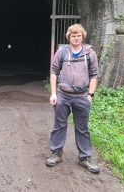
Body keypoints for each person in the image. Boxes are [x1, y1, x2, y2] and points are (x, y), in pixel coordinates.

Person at [46, 23, 100, 174]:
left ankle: (85, 157)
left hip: (82, 96)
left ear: (83, 37)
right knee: (59, 125)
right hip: (63, 94)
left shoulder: (90, 54)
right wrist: (53, 93)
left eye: (79, 36)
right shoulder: (62, 52)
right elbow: (54, 72)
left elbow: (94, 74)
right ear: (69, 37)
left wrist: (90, 95)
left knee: (82, 127)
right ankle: (56, 154)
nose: (76, 38)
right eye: (73, 36)